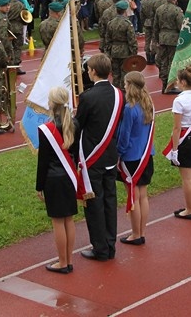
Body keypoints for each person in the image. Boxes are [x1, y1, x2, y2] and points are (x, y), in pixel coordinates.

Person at [76, 53, 122, 261]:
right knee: (110, 201)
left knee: (94, 203)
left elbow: (79, 126)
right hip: (110, 155)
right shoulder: (119, 94)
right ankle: (110, 244)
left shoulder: (87, 97)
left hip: (92, 157)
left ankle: (100, 248)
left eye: (88, 69)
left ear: (93, 72)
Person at [36, 87, 80, 274]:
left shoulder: (47, 129)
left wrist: (39, 186)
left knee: (57, 222)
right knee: (69, 219)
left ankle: (62, 262)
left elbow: (43, 160)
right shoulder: (74, 124)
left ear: (52, 103)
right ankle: (69, 259)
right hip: (70, 177)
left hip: (53, 179)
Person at [116, 71, 154, 244]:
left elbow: (124, 136)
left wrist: (118, 153)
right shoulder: (149, 104)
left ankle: (136, 234)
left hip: (131, 158)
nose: (123, 86)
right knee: (143, 195)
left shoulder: (130, 108)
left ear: (130, 85)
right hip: (146, 155)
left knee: (133, 196)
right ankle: (142, 231)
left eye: (125, 84)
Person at [166, 66, 191, 220]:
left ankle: (189, 209)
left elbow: (176, 127)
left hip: (184, 137)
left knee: (187, 177)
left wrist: (174, 149)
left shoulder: (179, 100)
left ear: (182, 81)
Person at [152, 0, 184, 94]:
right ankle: (170, 85)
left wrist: (156, 39)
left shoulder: (159, 9)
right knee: (172, 63)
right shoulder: (177, 10)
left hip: (162, 38)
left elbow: (155, 26)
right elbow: (181, 26)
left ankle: (165, 84)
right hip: (173, 39)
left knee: (164, 62)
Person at [105, 0, 136, 91]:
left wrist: (108, 51)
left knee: (115, 73)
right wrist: (134, 52)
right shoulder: (127, 23)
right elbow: (132, 39)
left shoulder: (111, 23)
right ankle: (123, 90)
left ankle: (115, 90)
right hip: (125, 51)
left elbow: (108, 39)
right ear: (125, 10)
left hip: (114, 50)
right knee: (125, 72)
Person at [140, 0, 164, 65]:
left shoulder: (143, 1)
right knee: (154, 40)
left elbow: (141, 14)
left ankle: (148, 57)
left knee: (147, 40)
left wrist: (143, 22)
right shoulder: (156, 1)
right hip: (154, 22)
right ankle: (153, 56)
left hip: (147, 22)